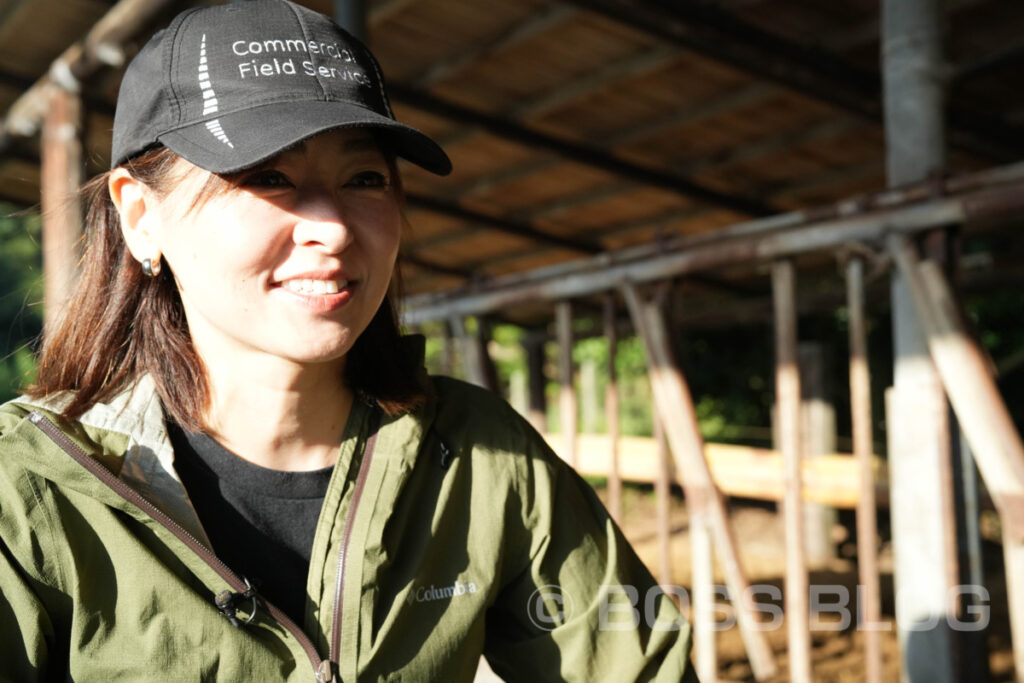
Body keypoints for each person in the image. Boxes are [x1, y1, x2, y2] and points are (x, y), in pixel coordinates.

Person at [0, 1, 697, 680]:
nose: (331, 227)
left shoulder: (480, 458)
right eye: (268, 175)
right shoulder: (30, 489)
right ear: (141, 215)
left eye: (365, 178)